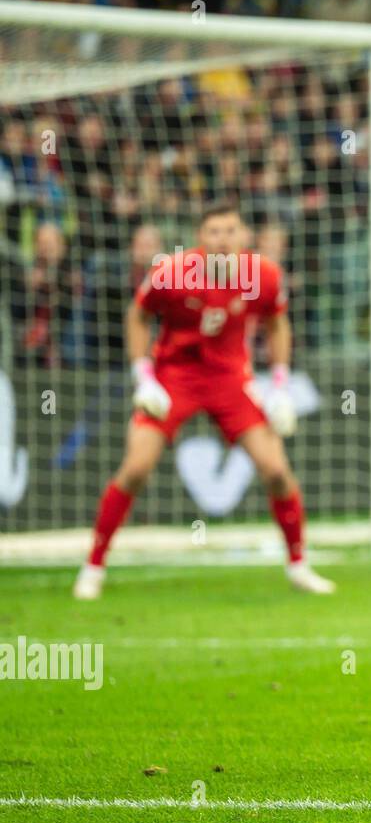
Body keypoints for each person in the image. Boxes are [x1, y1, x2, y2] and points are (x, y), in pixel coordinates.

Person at [73, 204, 335, 599]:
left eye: (230, 230)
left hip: (230, 378)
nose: (223, 239)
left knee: (276, 470)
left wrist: (280, 384)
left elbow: (277, 322)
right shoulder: (173, 273)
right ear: (200, 237)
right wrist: (142, 377)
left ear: (244, 235)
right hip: (174, 376)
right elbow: (137, 317)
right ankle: (93, 566)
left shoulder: (263, 276)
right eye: (214, 231)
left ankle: (299, 564)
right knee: (136, 467)